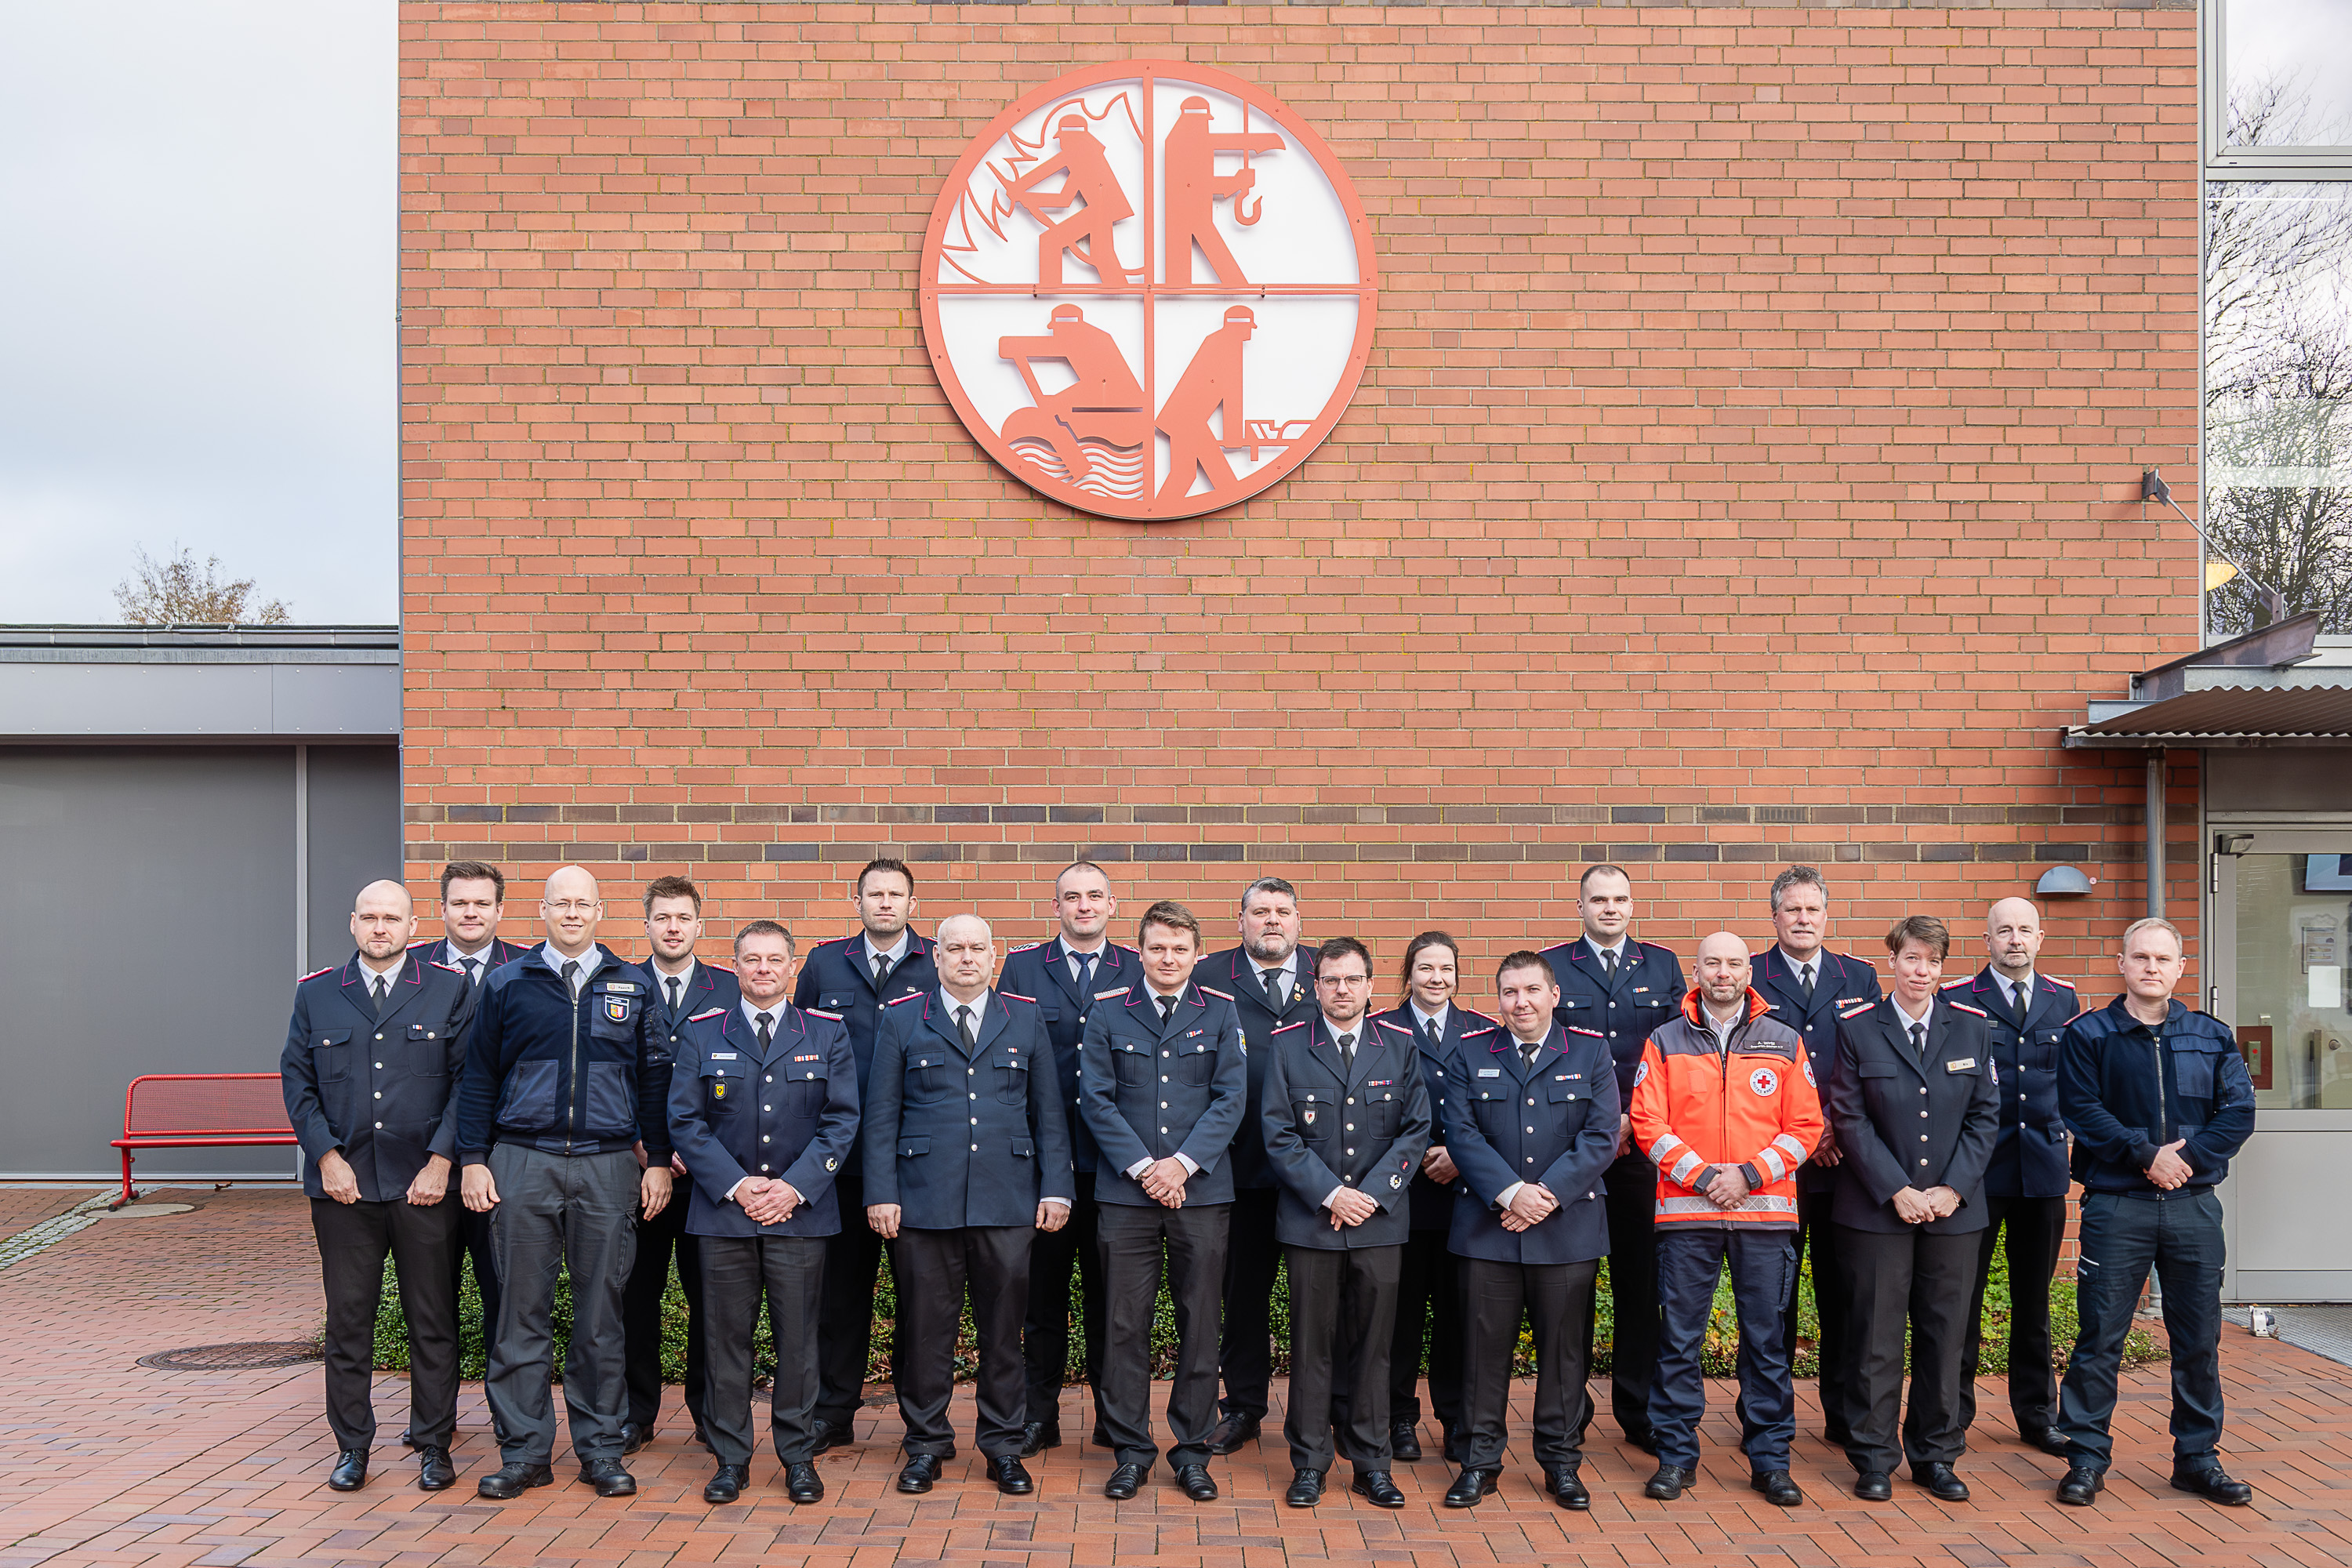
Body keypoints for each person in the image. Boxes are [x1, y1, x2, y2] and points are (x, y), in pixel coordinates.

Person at [456, 866, 674, 1501]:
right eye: (561, 903)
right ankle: (524, 1453)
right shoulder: (506, 984)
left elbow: (655, 1081)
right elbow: (478, 1077)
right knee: (519, 1314)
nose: (572, 913)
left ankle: (602, 1449)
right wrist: (474, 1158)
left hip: (609, 1166)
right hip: (523, 1159)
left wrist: (656, 1158)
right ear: (543, 910)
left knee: (602, 1316)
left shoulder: (632, 985)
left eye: (584, 904)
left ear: (600, 911)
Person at [864, 914, 1074, 1497]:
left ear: (994, 954)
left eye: (977, 948)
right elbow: (881, 1113)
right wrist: (880, 1192)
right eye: (954, 948)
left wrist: (1056, 1188)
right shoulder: (903, 1019)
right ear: (936, 957)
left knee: (1004, 1333)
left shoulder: (1024, 1017)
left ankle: (1004, 1446)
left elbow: (1049, 1114)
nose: (966, 958)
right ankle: (926, 1445)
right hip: (924, 1202)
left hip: (1007, 1200)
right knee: (927, 1332)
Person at [2052, 916, 2257, 1510]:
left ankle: (2197, 1458)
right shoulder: (2089, 1034)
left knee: (2198, 1339)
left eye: (2162, 960)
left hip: (2193, 1206)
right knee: (2100, 1339)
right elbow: (2080, 1109)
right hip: (2119, 1205)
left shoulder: (2211, 1036)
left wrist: (2184, 1159)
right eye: (2140, 957)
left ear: (2179, 969)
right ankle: (2086, 1458)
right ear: (2122, 964)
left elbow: (2238, 1113)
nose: (2151, 968)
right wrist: (2145, 1156)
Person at [281, 880, 477, 1493]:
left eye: (392, 918)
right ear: (352, 923)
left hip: (424, 1185)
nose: (380, 928)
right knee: (348, 1322)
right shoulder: (318, 995)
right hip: (345, 1191)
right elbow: (298, 1083)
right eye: (369, 917)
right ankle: (352, 1448)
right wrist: (327, 1157)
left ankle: (434, 1444)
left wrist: (443, 1162)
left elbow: (468, 1085)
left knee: (432, 1320)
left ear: (414, 927)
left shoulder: (448, 989)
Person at [668, 920, 858, 1506]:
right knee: (726, 1341)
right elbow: (685, 1122)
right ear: (736, 965)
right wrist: (737, 1184)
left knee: (799, 1342)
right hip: (724, 1215)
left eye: (775, 959)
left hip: (799, 1217)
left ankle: (797, 1457)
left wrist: (794, 1189)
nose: (764, 969)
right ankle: (731, 1459)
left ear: (792, 966)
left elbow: (842, 1120)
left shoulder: (826, 1033)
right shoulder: (703, 1033)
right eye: (752, 959)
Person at [1629, 932, 1821, 1508]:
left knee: (1766, 1345)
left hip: (1764, 1217)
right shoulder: (1663, 1040)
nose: (1723, 972)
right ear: (1696, 970)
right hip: (1686, 1218)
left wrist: (1748, 1176)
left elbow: (1806, 1127)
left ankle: (1770, 1463)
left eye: (1734, 962)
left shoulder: (1784, 1041)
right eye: (1712, 962)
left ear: (1748, 971)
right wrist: (1708, 1178)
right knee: (1679, 1342)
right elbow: (1646, 1123)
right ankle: (1675, 1459)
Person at [1827, 916, 1998, 1503]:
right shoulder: (1857, 1029)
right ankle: (1874, 1455)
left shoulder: (1972, 1028)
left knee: (1945, 1334)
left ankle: (1936, 1454)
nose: (1920, 971)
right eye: (1910, 959)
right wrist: (1896, 1187)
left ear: (1942, 967)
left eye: (1931, 961)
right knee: (1874, 1335)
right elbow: (1849, 1118)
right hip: (1877, 1211)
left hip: (1954, 1212)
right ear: (1891, 962)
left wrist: (1952, 1189)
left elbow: (1984, 1117)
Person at [1082, 900, 1249, 1502]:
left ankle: (1192, 1449)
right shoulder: (1107, 1013)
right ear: (1141, 951)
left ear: (1197, 954)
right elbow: (1095, 1100)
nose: (1168, 958)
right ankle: (1131, 1449)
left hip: (1201, 1192)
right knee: (1125, 1325)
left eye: (1180, 949)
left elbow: (1230, 1099)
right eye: (1157, 948)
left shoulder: (1222, 1013)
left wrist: (1180, 1164)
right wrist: (1146, 1168)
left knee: (1201, 1323)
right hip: (1126, 1195)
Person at [1439, 952, 1617, 1511]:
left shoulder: (1590, 1051)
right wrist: (1511, 1193)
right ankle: (1479, 1463)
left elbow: (1602, 1134)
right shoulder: (1470, 1053)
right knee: (1480, 1356)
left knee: (1564, 1356)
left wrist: (1544, 1197)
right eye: (1511, 992)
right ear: (1499, 999)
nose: (1522, 1002)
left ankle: (1561, 1463)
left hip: (1566, 1229)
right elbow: (1461, 1134)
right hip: (1488, 1230)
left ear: (1554, 995)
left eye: (1532, 990)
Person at [1258, 936, 1430, 1508]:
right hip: (1313, 1223)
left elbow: (1414, 1129)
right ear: (1315, 985)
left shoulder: (1400, 1046)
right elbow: (1279, 1135)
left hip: (1380, 1223)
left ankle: (1371, 1462)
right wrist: (1331, 1193)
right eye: (1331, 980)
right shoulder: (1288, 1047)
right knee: (1312, 1347)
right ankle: (1309, 1462)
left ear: (1371, 985)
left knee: (1375, 1347)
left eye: (1352, 979)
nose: (1342, 990)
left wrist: (1371, 1195)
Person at [791, 858, 938, 1453]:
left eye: (895, 894)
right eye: (874, 894)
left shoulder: (938, 959)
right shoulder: (826, 962)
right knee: (841, 1297)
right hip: (842, 1162)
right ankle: (833, 1413)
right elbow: (799, 1036)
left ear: (911, 903)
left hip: (919, 1159)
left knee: (922, 1299)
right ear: (857, 902)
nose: (884, 903)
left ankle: (918, 1419)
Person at [1540, 863, 1685, 1453]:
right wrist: (1604, 1125)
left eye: (1620, 899)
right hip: (1572, 1150)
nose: (1610, 909)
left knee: (1638, 1281)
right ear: (1580, 905)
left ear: (1633, 905)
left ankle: (1638, 1406)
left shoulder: (1662, 965)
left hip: (1640, 1149)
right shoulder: (1551, 964)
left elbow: (1676, 1052)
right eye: (1598, 899)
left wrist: (1632, 1121)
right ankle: (1569, 1408)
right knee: (1572, 1284)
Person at [999, 860, 1138, 1457]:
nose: (1084, 906)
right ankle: (1040, 1415)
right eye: (1072, 897)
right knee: (1043, 1300)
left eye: (1095, 897)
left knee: (1115, 1300)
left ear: (1112, 906)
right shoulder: (1024, 967)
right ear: (1055, 907)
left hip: (1117, 1164)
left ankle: (1115, 1415)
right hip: (1044, 1165)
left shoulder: (1136, 967)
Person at [1748, 864, 1882, 1446]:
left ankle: (1844, 1417)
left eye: (1813, 910)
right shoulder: (1748, 973)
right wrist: (1800, 1137)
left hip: (1843, 1166)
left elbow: (1875, 1063)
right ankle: (1767, 1418)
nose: (1803, 919)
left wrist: (1830, 1131)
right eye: (1792, 910)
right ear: (1774, 916)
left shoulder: (1861, 976)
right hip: (1774, 1166)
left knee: (1845, 1297)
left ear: (1827, 916)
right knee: (1772, 1302)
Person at [1194, 876, 1318, 1457]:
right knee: (1241, 1297)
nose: (1273, 921)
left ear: (1299, 920)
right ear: (1238, 918)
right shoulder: (1208, 975)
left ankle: (1324, 1408)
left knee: (1319, 1296)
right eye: (1261, 911)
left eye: (1283, 912)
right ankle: (1242, 1407)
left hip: (1319, 1172)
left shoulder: (1331, 971)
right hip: (1237, 1167)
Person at [1951, 898, 2076, 1457]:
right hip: (1977, 1175)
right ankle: (1950, 1413)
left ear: (2041, 937)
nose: (2016, 939)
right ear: (1988, 940)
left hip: (2043, 1173)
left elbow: (2073, 1081)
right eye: (2005, 931)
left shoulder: (2063, 998)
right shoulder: (1959, 999)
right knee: (1961, 1300)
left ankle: (2036, 1414)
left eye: (2025, 930)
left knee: (2034, 1303)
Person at [621, 875, 738, 1454]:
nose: (672, 927)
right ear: (646, 925)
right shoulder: (616, 983)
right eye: (662, 917)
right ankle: (635, 1414)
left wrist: (696, 1155)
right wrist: (646, 1149)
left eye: (682, 917)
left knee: (711, 1302)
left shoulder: (728, 987)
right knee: (634, 1297)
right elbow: (607, 1075)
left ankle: (709, 1414)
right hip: (638, 1171)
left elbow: (744, 1081)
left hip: (707, 1178)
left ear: (699, 925)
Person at [1363, 931, 1485, 1464]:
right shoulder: (1378, 1030)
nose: (1437, 978)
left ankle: (1457, 1417)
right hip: (1402, 1197)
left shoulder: (1482, 1030)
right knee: (1401, 1316)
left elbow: (1493, 1112)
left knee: (1460, 1316)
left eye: (1447, 968)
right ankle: (1398, 1417)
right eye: (1426, 968)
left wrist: (1461, 1154)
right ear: (1407, 974)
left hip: (1464, 1195)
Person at [416, 859, 528, 1407]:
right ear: (441, 910)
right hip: (428, 1168)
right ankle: (434, 1422)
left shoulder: (533, 970)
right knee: (431, 1300)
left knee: (504, 1295)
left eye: (482, 903)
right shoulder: (410, 970)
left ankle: (506, 1419)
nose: (470, 912)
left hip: (505, 1162)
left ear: (500, 911)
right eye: (459, 902)